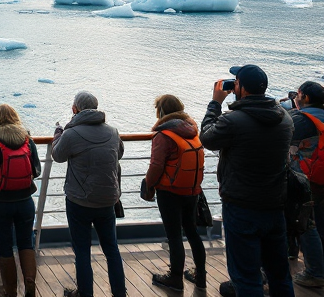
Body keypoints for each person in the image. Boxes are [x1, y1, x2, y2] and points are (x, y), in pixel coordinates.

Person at [201, 64, 294, 297]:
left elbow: (207, 138)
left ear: (240, 87)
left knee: (246, 276)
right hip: (274, 204)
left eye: (236, 82)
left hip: (241, 206)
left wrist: (215, 103)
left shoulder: (234, 121)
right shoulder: (284, 119)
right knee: (279, 274)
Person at [51, 91, 126, 297]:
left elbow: (57, 155)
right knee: (111, 249)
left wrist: (58, 133)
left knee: (82, 251)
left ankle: (85, 294)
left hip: (80, 201)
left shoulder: (71, 133)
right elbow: (118, 153)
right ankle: (120, 293)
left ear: (75, 109)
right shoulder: (113, 131)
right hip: (107, 199)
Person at [140, 94, 206, 292]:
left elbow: (156, 166)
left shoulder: (164, 135)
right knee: (192, 231)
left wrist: (148, 185)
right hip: (192, 190)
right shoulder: (192, 129)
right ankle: (201, 276)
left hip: (170, 191)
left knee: (174, 235)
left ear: (160, 112)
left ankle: (175, 278)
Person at [0, 104, 41, 297]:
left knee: (5, 247)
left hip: (1, 202)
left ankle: (10, 291)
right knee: (26, 243)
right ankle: (30, 283)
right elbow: (37, 171)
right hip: (25, 200)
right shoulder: (26, 139)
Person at [290, 81, 324, 288]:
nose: (296, 96)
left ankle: (315, 272)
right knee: (320, 223)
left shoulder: (302, 119)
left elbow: (280, 135)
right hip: (321, 179)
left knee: (305, 225)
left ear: (306, 98)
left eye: (299, 94)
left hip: (306, 179)